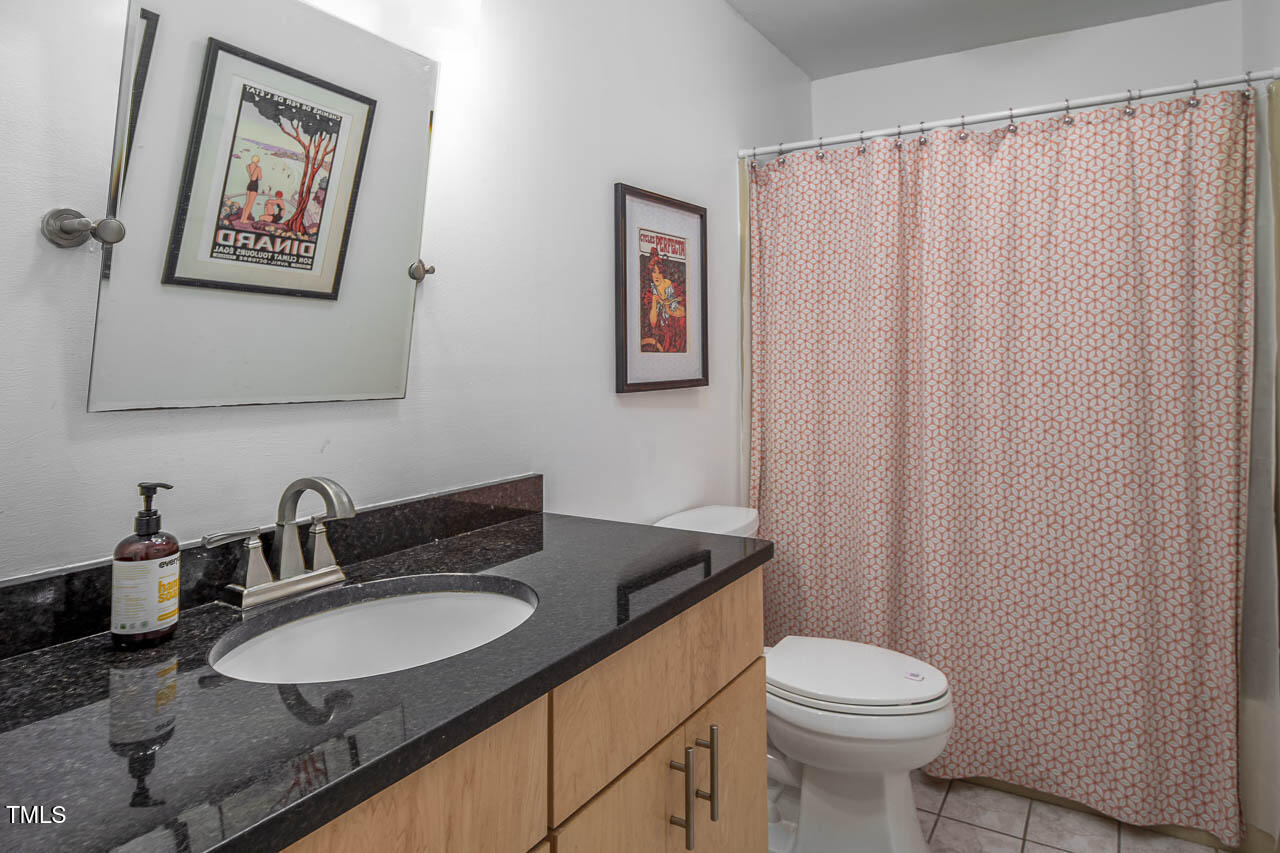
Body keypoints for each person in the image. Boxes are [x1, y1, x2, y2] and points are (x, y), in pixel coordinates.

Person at [644, 247, 687, 352]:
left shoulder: (673, 288)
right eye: (654, 272)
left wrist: (668, 307)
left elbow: (684, 312)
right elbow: (653, 323)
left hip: (681, 337)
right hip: (664, 340)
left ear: (664, 273)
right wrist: (655, 302)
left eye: (660, 272)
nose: (657, 276)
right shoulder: (651, 293)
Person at [239, 155, 263, 223]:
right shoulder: (258, 168)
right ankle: (245, 219)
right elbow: (260, 178)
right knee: (250, 204)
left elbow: (251, 176)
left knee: (247, 203)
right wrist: (258, 173)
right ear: (257, 161)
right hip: (254, 185)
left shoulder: (248, 166)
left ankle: (242, 219)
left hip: (250, 185)